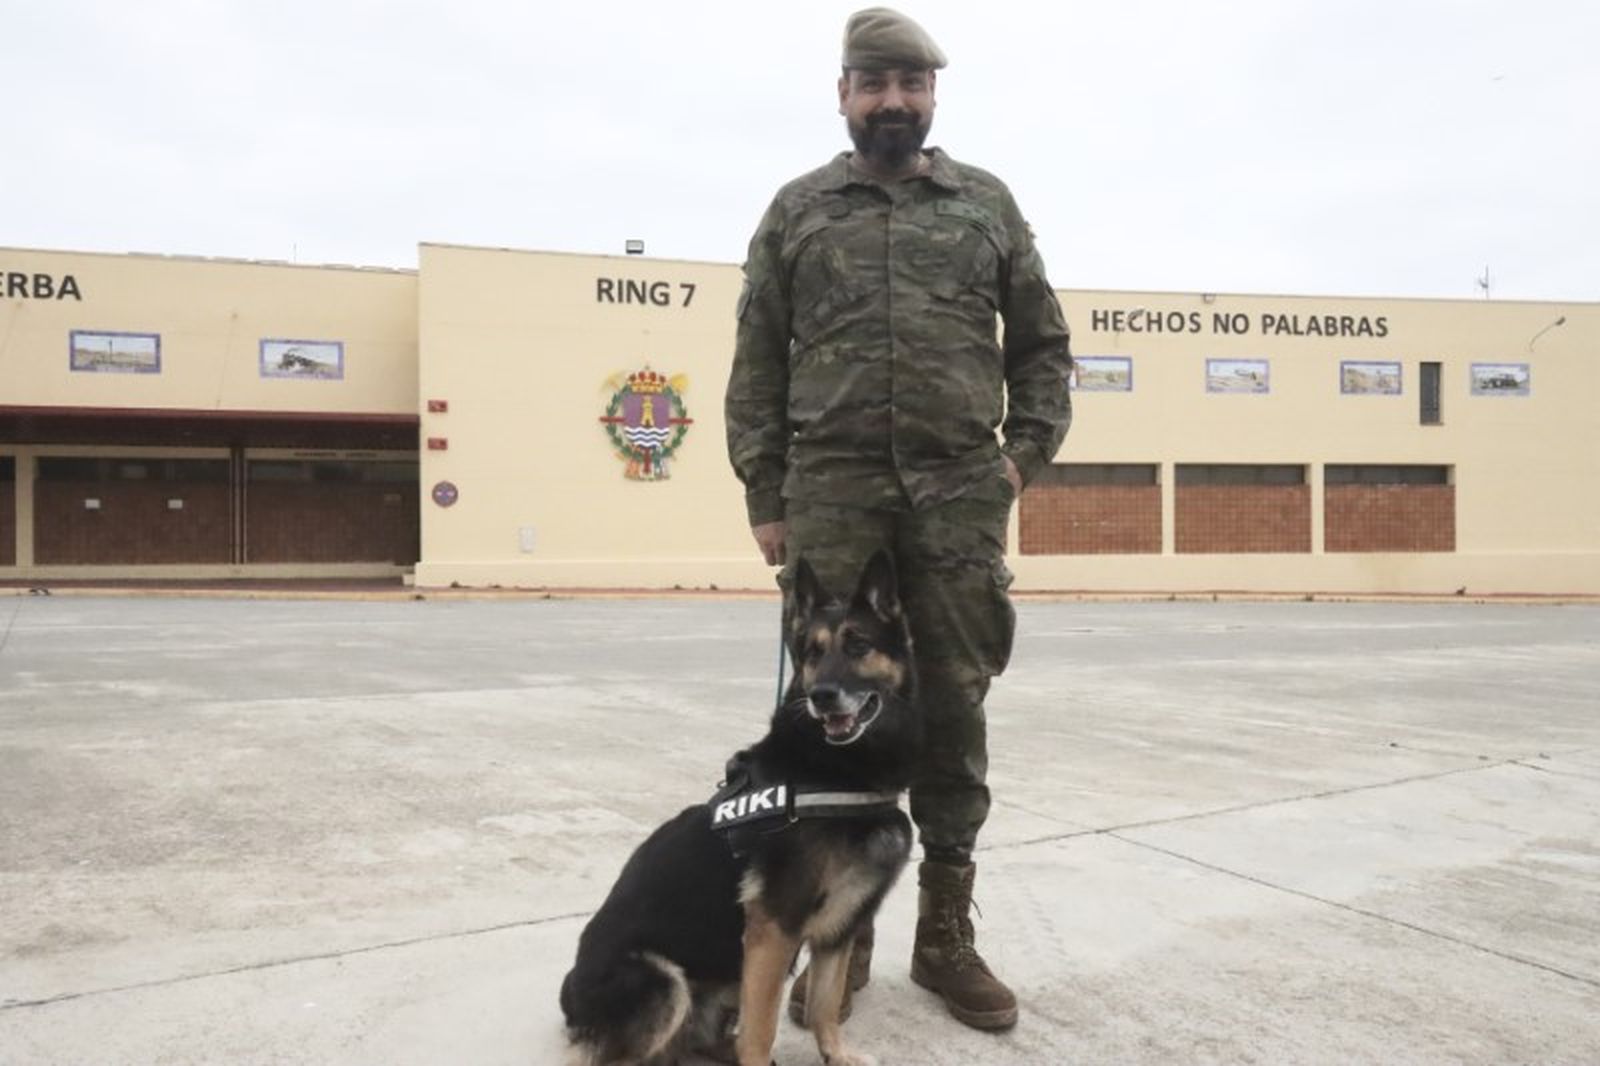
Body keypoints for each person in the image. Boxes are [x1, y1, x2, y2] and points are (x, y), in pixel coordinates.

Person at [723, 5, 1072, 1034]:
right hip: (828, 495)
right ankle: (843, 933)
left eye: (910, 84)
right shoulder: (796, 213)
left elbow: (1043, 347)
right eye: (872, 82)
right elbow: (756, 367)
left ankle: (945, 935)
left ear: (932, 97)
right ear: (842, 94)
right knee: (830, 716)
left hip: (958, 494)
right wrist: (765, 494)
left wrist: (1019, 460)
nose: (892, 100)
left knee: (953, 709)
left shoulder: (986, 207)